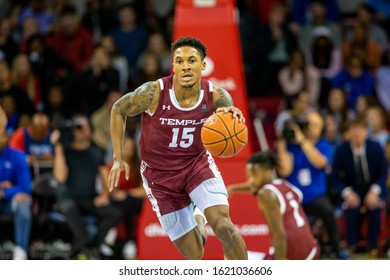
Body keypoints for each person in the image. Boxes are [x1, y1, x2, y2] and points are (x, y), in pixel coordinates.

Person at [108, 36, 248, 260]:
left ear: (203, 65)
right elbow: (118, 109)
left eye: (191, 60)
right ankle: (198, 218)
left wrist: (233, 117)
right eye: (179, 61)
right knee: (195, 253)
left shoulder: (216, 96)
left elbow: (228, 115)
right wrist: (117, 157)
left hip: (196, 166)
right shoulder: (153, 93)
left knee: (225, 228)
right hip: (159, 177)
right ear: (173, 65)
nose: (185, 66)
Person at [276, 110, 348, 259]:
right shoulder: (291, 145)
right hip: (295, 198)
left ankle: (336, 249)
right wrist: (282, 142)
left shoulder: (323, 145)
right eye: (309, 124)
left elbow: (321, 162)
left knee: (328, 212)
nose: (311, 127)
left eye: (316, 125)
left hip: (315, 196)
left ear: (321, 128)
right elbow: (284, 170)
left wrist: (303, 141)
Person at [228, 151, 320, 260]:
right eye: (248, 176)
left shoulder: (265, 194)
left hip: (293, 257)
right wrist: (234, 188)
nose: (250, 180)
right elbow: (254, 187)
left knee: (231, 255)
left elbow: (279, 236)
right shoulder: (285, 185)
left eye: (254, 175)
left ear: (268, 173)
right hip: (312, 250)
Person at [53, 114, 122, 258]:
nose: (81, 131)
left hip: (89, 199)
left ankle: (92, 244)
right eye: (78, 127)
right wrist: (58, 145)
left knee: (114, 212)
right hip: (69, 199)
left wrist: (104, 194)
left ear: (90, 130)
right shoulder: (65, 150)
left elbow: (106, 177)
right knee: (68, 206)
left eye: (84, 127)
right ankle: (84, 242)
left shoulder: (95, 152)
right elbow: (60, 177)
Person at [332, 117, 387, 257]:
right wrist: (347, 192)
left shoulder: (375, 147)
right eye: (354, 129)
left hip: (372, 188)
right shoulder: (341, 150)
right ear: (348, 132)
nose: (357, 133)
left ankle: (373, 244)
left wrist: (374, 191)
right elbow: (335, 177)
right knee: (350, 205)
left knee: (375, 206)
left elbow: (383, 172)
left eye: (361, 129)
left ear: (366, 132)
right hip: (352, 189)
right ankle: (351, 244)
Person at [0, 105, 32, 260]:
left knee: (23, 202)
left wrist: (6, 192)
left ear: (7, 137)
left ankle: (20, 251)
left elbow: (25, 186)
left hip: (8, 201)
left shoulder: (18, 156)